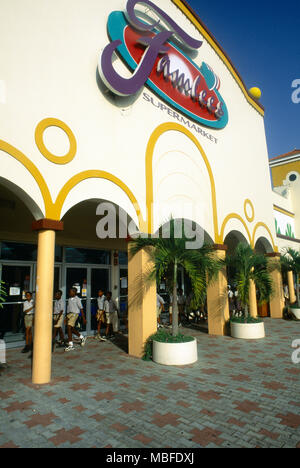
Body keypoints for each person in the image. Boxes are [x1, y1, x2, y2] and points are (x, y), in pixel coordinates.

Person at [65, 288, 87, 352]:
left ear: (74, 293)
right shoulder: (69, 299)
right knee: (71, 328)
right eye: (69, 292)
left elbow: (81, 309)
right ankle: (82, 337)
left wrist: (84, 318)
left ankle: (70, 345)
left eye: (71, 292)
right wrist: (66, 317)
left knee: (69, 327)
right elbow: (68, 309)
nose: (70, 293)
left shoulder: (77, 299)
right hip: (70, 314)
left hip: (75, 314)